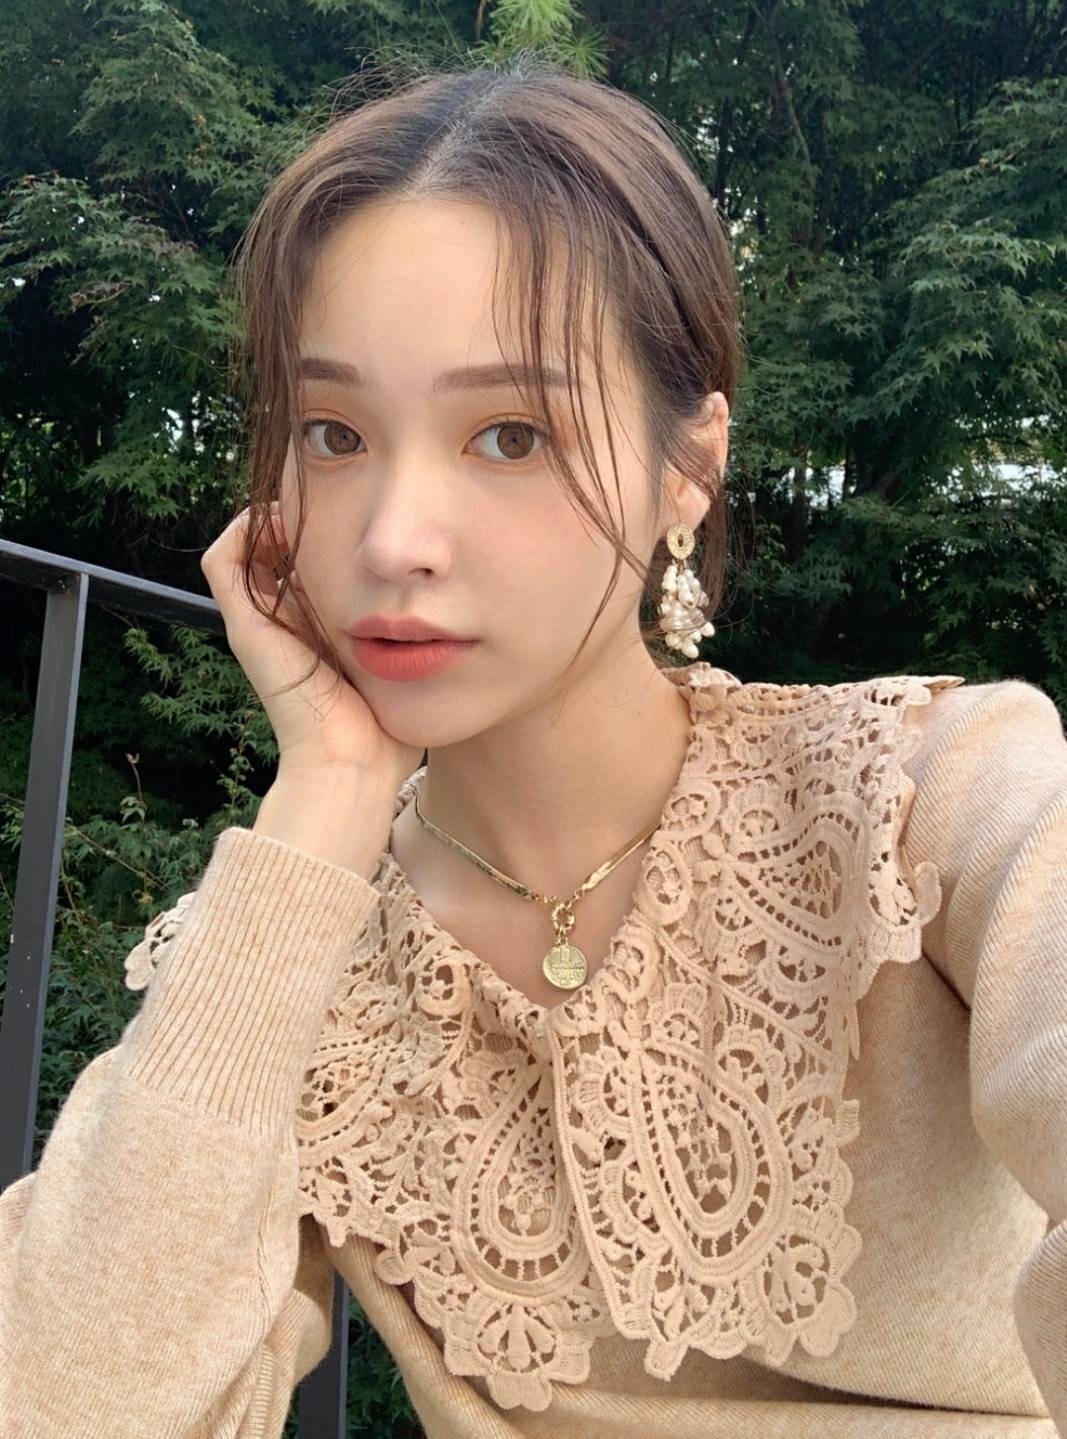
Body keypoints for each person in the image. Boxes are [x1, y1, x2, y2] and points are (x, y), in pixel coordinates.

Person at [2, 55, 1065, 1439]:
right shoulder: (289, 950)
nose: (392, 540)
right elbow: (63, 1401)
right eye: (333, 433)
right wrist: (327, 792)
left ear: (688, 465)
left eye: (509, 435)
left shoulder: (940, 799)